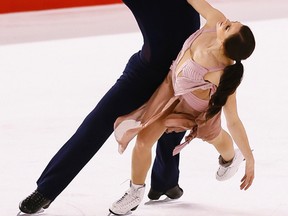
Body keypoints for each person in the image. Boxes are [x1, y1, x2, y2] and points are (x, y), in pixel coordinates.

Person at [18, 0, 201, 214]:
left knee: (173, 125)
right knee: (97, 123)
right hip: (145, 73)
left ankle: (165, 183)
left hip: (181, 73)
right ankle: (47, 190)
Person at [109, 0, 256, 215]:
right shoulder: (215, 20)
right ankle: (134, 193)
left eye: (229, 27)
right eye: (232, 22)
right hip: (171, 95)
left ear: (226, 44)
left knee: (213, 135)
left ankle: (232, 157)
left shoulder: (222, 74)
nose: (226, 21)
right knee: (142, 141)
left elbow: (233, 120)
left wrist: (250, 158)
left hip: (196, 109)